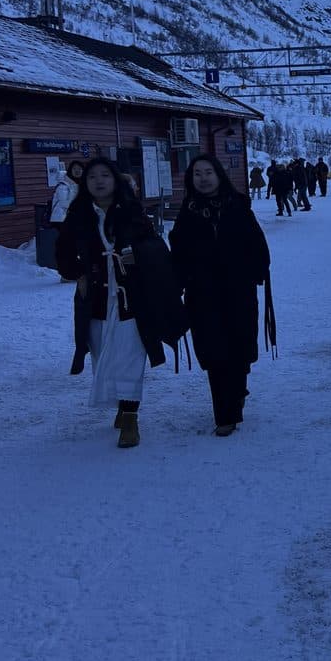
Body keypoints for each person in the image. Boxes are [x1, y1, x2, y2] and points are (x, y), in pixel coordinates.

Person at [55, 158, 185, 446]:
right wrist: (78, 273)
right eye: (92, 178)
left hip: (131, 296)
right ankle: (120, 404)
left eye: (105, 176)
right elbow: (62, 253)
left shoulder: (131, 211)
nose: (99, 182)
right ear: (84, 184)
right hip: (98, 298)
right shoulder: (78, 215)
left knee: (129, 355)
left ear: (115, 180)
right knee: (103, 354)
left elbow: (154, 246)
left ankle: (130, 417)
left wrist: (136, 255)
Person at [170, 153, 274, 438]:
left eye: (208, 172)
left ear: (219, 176)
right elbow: (177, 254)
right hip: (202, 295)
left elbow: (257, 244)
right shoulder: (187, 214)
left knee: (240, 349)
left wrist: (256, 271)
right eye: (197, 174)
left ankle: (238, 388)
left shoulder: (238, 207)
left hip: (238, 292)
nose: (203, 178)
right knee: (214, 352)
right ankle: (225, 415)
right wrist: (179, 282)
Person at [49, 158, 85, 224]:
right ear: (70, 170)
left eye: (79, 169)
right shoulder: (64, 185)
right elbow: (64, 203)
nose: (77, 171)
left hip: (74, 218)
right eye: (74, 169)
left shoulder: (82, 184)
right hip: (62, 219)